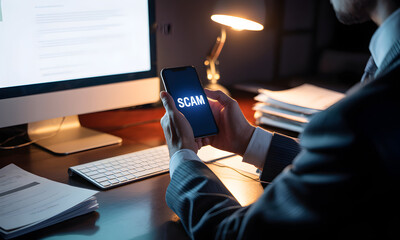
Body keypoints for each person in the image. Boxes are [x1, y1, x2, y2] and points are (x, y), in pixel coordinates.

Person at [160, 0, 400, 239]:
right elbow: (351, 173)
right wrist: (247, 139)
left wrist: (183, 157)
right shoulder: (385, 66)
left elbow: (235, 235)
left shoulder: (363, 114)